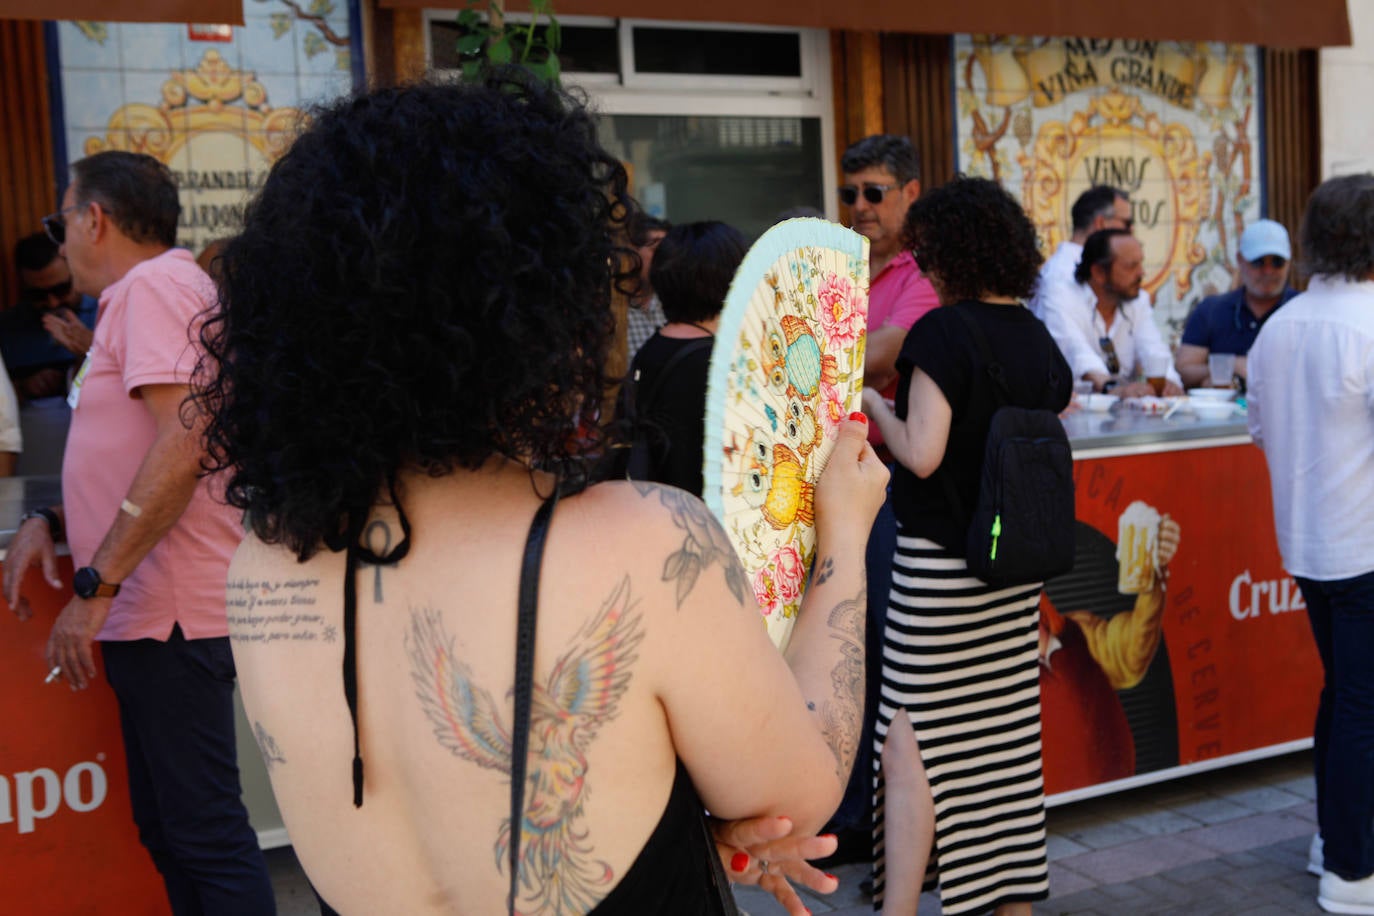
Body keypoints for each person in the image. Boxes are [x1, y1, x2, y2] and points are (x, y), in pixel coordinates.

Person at [192, 73, 890, 915]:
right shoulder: (640, 541)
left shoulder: (260, 568)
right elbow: (798, 798)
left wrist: (671, 818)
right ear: (536, 304)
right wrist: (842, 536)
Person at [1, 150, 276, 915]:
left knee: (205, 833)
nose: (60, 245)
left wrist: (97, 585)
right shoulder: (145, 294)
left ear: (95, 219)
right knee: (171, 830)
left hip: (169, 611)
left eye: (62, 222)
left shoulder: (152, 286)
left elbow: (183, 445)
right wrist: (46, 519)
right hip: (150, 609)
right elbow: (132, 454)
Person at [861, 176, 1072, 916]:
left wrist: (873, 408)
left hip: (938, 571)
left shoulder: (942, 335)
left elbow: (921, 453)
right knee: (1004, 740)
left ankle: (899, 910)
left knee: (911, 737)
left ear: (947, 252)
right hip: (1010, 568)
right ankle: (1010, 898)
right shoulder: (1037, 335)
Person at [1248, 173, 1374, 916]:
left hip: (1309, 542)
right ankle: (1352, 871)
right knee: (1359, 703)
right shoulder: (1366, 323)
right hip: (1362, 541)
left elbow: (1260, 430)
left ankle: (1337, 840)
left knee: (1346, 696)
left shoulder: (1282, 326)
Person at [832, 133, 941, 849]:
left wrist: (815, 353)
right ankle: (845, 807)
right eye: (850, 194)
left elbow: (885, 353)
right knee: (835, 642)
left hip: (885, 483)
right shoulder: (839, 265)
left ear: (909, 193)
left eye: (875, 193)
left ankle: (873, 820)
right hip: (830, 477)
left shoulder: (921, 273)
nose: (861, 207)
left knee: (873, 646)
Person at [614, 220, 746, 496]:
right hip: (708, 525)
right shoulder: (722, 366)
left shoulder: (650, 351)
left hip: (655, 517)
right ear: (731, 278)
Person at [1043, 229, 1183, 397]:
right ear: (1099, 273)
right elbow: (1078, 354)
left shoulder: (1137, 300)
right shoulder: (1061, 296)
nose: (1141, 273)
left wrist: (1170, 383)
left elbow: (1153, 351)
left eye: (1141, 264)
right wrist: (1110, 388)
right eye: (1131, 266)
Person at [1175, 219, 1298, 389]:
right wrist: (1231, 366)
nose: (1268, 271)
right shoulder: (1211, 310)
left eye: (1277, 262)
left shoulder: (1305, 312)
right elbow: (1184, 369)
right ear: (1240, 260)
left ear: (1289, 262)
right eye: (1258, 262)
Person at [4, 232, 97, 400]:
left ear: (76, 272)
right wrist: (23, 387)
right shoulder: (9, 326)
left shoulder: (107, 312)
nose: (52, 303)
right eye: (38, 295)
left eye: (61, 290)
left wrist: (91, 349)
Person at [1027, 185, 1133, 322]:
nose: (1131, 231)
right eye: (1127, 223)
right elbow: (1068, 342)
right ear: (1101, 223)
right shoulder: (1060, 276)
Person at [624, 212, 671, 360]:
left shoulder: (670, 303)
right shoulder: (612, 310)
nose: (665, 258)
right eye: (656, 250)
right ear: (631, 252)